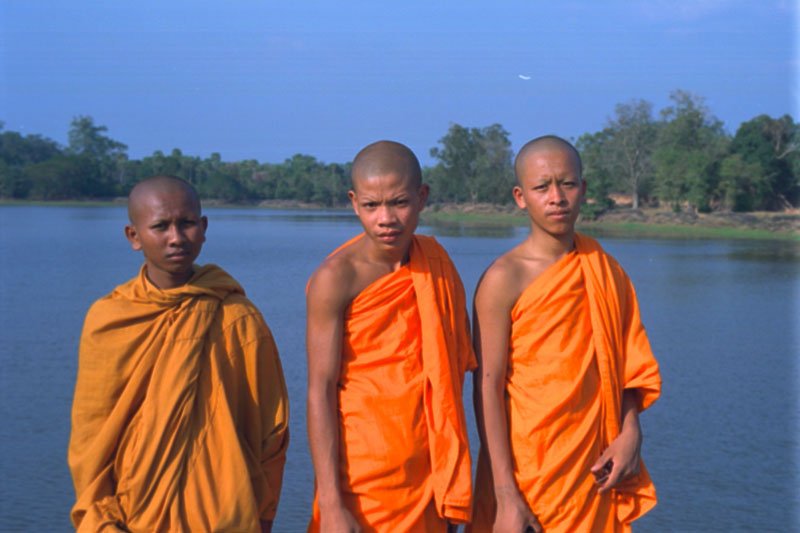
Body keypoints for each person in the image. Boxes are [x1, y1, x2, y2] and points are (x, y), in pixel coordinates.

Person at [68, 175, 289, 532]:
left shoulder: (238, 318)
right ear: (134, 237)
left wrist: (263, 517)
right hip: (132, 514)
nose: (176, 237)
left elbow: (270, 431)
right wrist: (100, 520)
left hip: (225, 514)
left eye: (186, 224)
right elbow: (90, 438)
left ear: (203, 228)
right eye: (160, 226)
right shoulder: (110, 319)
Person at [469, 136, 662, 532]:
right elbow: (486, 389)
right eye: (542, 187)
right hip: (527, 471)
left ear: (583, 190)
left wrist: (630, 432)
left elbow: (626, 369)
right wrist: (505, 494)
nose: (556, 197)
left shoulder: (606, 270)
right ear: (521, 197)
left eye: (567, 184)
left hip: (593, 469)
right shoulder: (504, 279)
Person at [305, 140, 475, 532]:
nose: (386, 219)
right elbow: (320, 389)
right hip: (362, 481)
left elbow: (452, 373)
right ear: (353, 202)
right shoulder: (336, 278)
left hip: (431, 476)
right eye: (371, 205)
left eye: (399, 202)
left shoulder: (437, 265)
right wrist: (331, 503)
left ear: (422, 197)